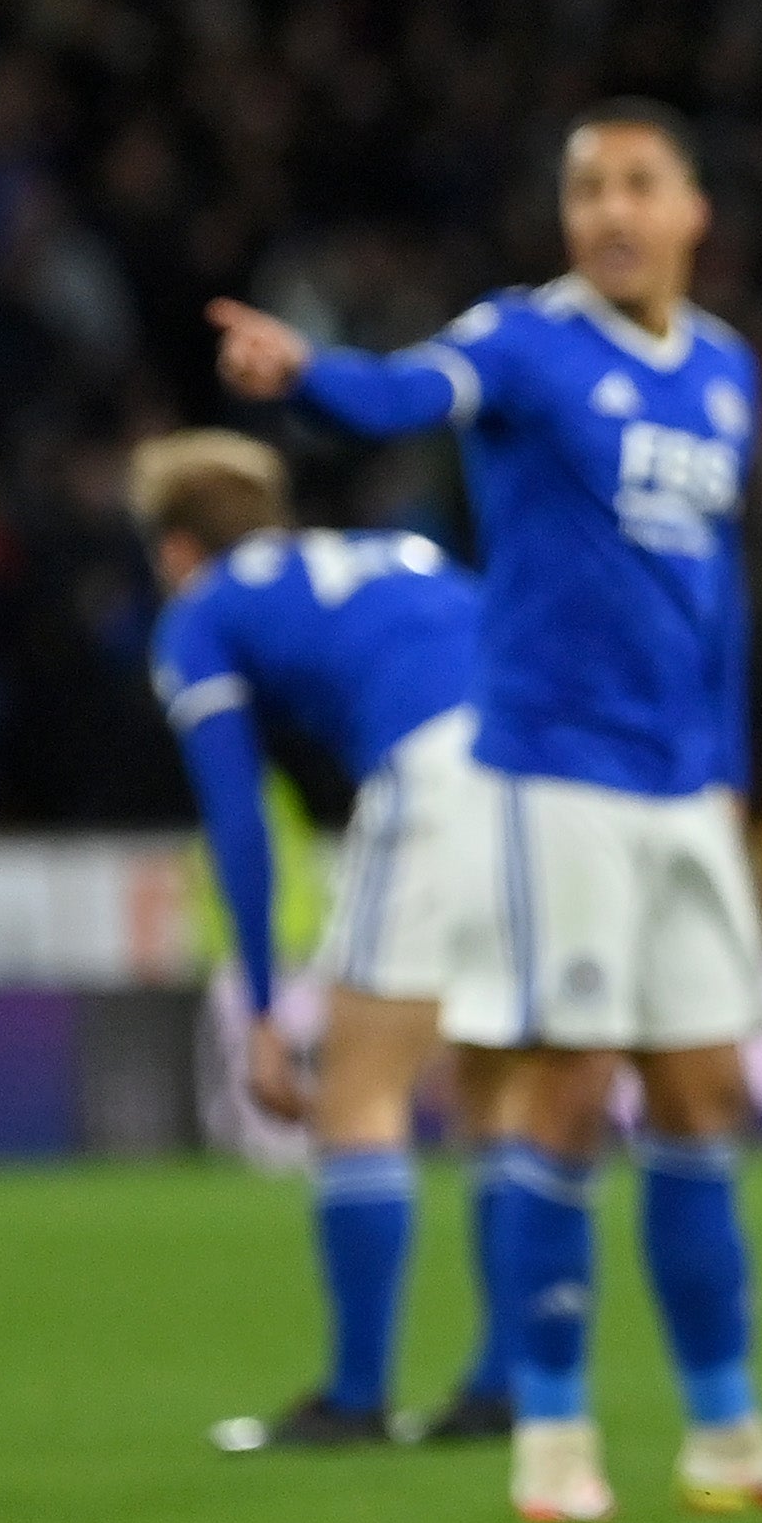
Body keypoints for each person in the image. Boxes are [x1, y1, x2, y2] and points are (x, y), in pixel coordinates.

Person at [210, 102, 762, 1523]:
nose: (610, 209)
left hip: (681, 784)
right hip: (553, 772)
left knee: (709, 1087)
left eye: (638, 182)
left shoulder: (724, 371)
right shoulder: (527, 338)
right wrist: (307, 377)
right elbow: (409, 394)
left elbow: (712, 593)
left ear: (694, 209)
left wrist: (727, 763)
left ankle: (720, 1424)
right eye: (587, 185)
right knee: (569, 1086)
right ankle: (550, 1421)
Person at [136, 431, 523, 1450]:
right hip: (546, 766)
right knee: (491, 1078)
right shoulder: (399, 552)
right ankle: (503, 1383)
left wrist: (262, 1009)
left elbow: (238, 817)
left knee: (359, 1083)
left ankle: (355, 1397)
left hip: (433, 774)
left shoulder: (201, 612)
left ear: (177, 548)